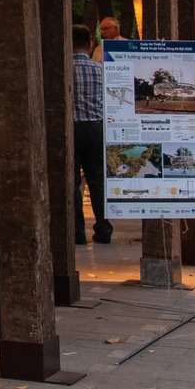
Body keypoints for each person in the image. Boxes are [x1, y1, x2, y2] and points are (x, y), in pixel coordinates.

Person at [72, 23, 113, 245]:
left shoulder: (63, 70)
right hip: (95, 129)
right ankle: (104, 229)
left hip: (71, 130)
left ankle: (77, 232)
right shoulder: (100, 70)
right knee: (97, 181)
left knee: (72, 183)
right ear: (89, 44)